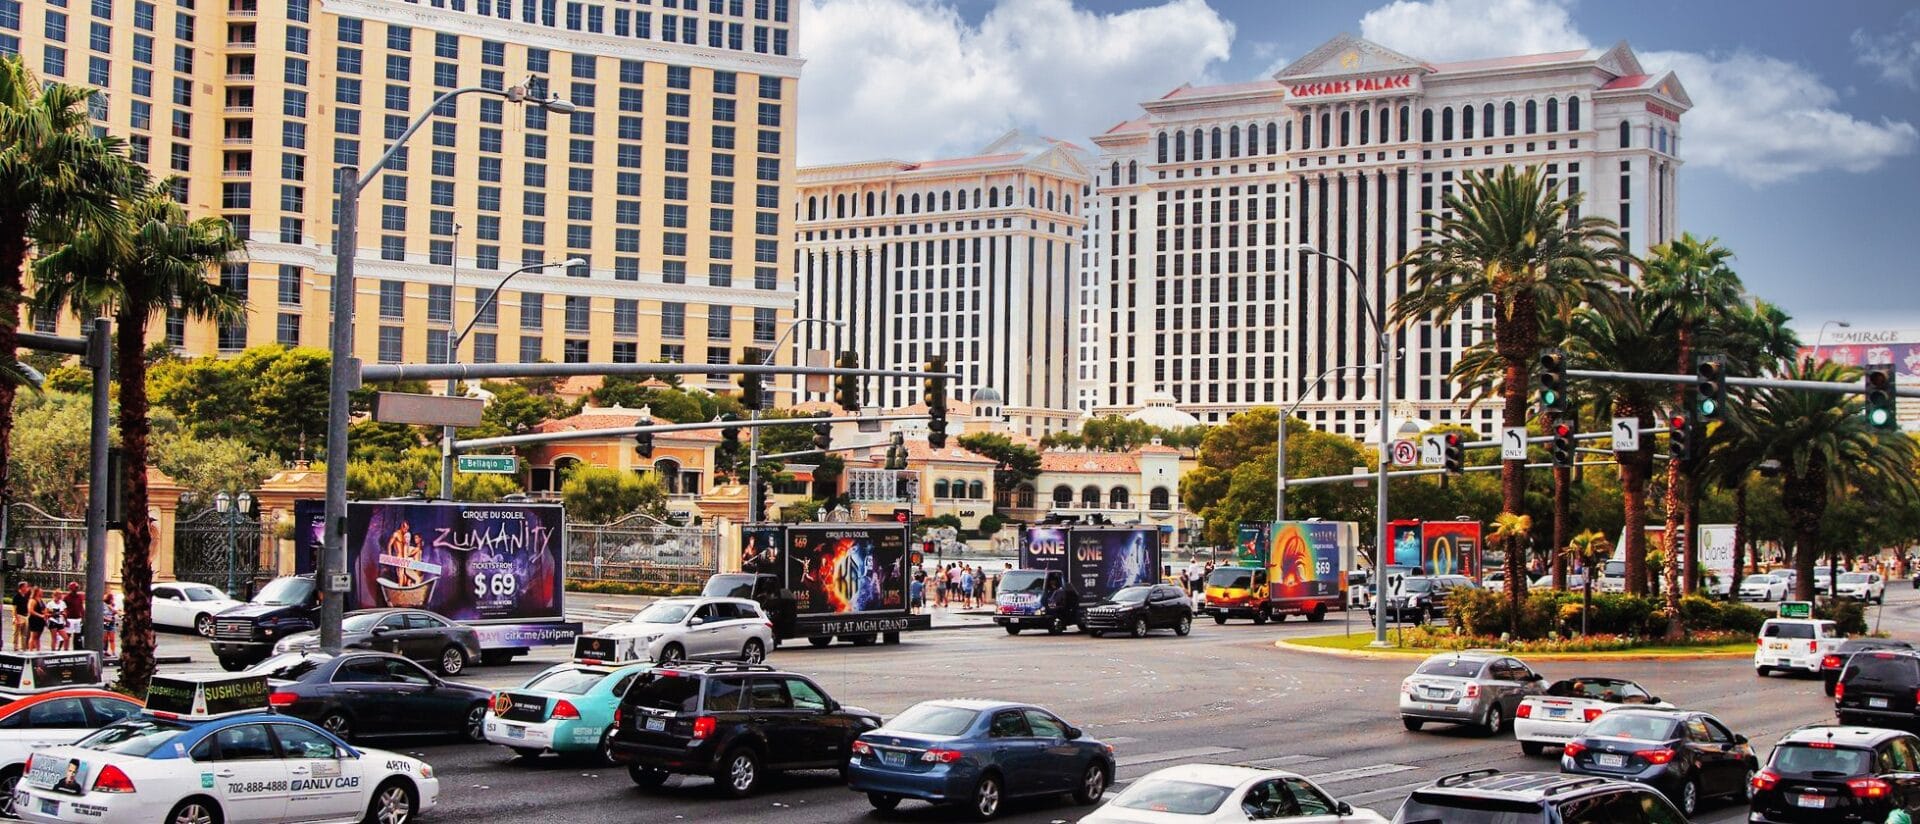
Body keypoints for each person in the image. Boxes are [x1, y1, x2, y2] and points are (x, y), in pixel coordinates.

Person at [9, 581, 25, 650]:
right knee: (16, 633)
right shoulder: (16, 596)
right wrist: (15, 617)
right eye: (25, 586)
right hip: (18, 616)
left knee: (24, 633)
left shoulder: (25, 596)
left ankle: (23, 647)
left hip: (25, 616)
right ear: (21, 587)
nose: (26, 588)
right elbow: (14, 608)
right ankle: (15, 646)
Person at [101, 592, 118, 657]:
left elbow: (116, 612)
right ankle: (103, 651)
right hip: (105, 623)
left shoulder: (112, 605)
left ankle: (113, 652)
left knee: (112, 639)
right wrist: (107, 619)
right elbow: (101, 614)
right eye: (111, 599)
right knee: (104, 639)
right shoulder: (103, 605)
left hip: (111, 624)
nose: (112, 600)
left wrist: (113, 610)